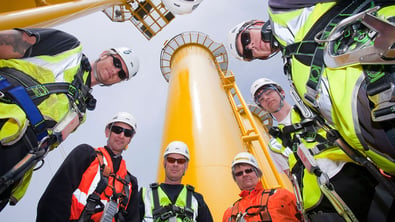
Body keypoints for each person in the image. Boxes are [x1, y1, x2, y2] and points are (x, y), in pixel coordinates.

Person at [226, 0, 395, 177]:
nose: (251, 47)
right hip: (378, 139)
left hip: (384, 77)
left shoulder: (282, 10)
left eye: (245, 39)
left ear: (256, 24)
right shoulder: (292, 69)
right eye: (248, 53)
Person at [0, 28, 139, 210]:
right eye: (116, 63)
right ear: (105, 54)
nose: (115, 71)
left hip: (14, 166)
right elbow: (11, 42)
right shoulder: (69, 48)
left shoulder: (80, 113)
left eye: (121, 75)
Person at [250, 77, 389, 221]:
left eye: (268, 92)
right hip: (319, 199)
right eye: (260, 98)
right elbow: (291, 177)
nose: (265, 98)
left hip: (350, 174)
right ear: (261, 107)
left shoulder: (309, 110)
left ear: (281, 92)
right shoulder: (274, 144)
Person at [36, 111, 139, 222]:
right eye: (117, 130)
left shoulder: (130, 183)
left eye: (127, 133)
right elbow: (55, 196)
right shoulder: (86, 155)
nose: (121, 135)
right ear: (107, 131)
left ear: (130, 139)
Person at [139, 140, 214, 222]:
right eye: (171, 160)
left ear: (186, 166)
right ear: (164, 163)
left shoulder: (197, 200)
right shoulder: (145, 196)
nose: (175, 164)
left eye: (180, 161)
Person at [223, 151, 299, 222]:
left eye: (248, 170)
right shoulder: (229, 213)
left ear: (257, 173)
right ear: (235, 179)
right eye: (239, 173)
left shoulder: (283, 195)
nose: (244, 174)